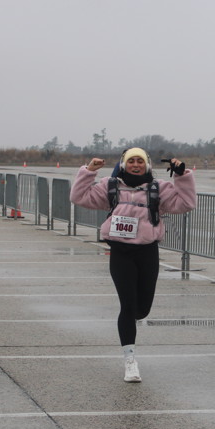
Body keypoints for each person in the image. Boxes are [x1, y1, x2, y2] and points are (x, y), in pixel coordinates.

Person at [70, 147, 197, 382]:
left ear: (147, 164)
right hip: (121, 253)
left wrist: (182, 176)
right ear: (123, 164)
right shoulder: (110, 186)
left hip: (147, 252)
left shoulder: (159, 188)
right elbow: (78, 197)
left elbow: (187, 203)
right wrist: (88, 172)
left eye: (140, 161)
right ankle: (130, 361)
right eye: (131, 161)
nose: (135, 165)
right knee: (127, 307)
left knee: (142, 309)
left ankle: (135, 321)